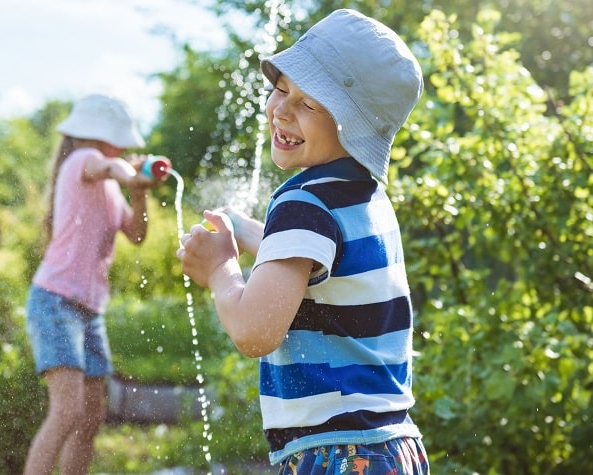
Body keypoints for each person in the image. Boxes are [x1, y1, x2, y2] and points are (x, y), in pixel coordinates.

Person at [177, 9, 429, 474]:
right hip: (392, 448)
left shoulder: (303, 201)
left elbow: (256, 331)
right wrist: (246, 229)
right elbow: (315, 257)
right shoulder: (363, 198)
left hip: (336, 453)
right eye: (282, 88)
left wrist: (219, 270)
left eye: (310, 103)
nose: (281, 110)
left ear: (355, 124)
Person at [24, 93, 160, 474]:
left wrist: (138, 191)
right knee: (66, 411)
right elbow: (108, 166)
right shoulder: (82, 162)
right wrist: (128, 173)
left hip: (88, 310)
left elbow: (135, 234)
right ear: (102, 136)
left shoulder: (111, 186)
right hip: (55, 301)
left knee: (90, 416)